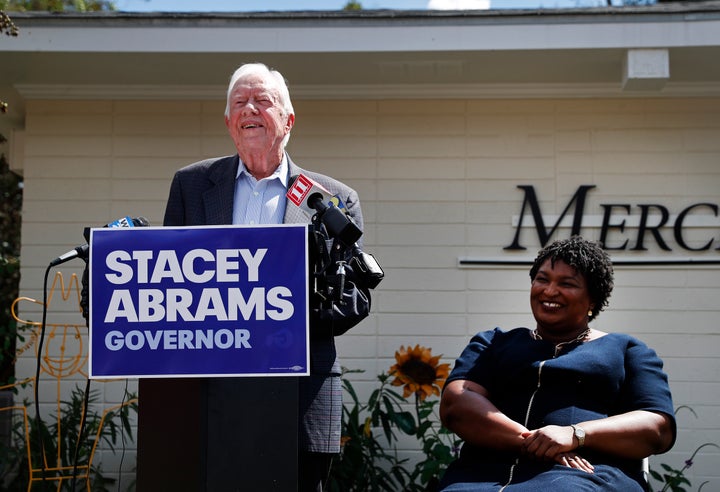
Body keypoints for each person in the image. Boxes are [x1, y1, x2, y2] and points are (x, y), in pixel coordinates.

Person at [139, 62, 372, 492]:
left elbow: (353, 298)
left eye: (263, 101)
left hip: (300, 398)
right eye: (240, 102)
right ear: (229, 121)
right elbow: (171, 289)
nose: (250, 108)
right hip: (207, 401)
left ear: (288, 119)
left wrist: (272, 320)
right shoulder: (191, 185)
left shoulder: (333, 198)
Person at [438, 236, 676, 491]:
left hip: (584, 473)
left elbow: (658, 428)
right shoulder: (493, 342)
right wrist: (535, 442)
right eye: (542, 279)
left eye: (567, 283)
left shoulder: (627, 351)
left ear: (593, 299)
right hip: (482, 474)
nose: (549, 291)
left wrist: (575, 434)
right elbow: (457, 402)